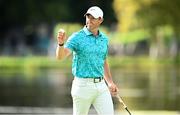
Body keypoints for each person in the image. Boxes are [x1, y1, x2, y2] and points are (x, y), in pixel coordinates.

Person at [56, 6, 119, 115]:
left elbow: (103, 61)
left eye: (93, 18)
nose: (89, 20)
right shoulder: (77, 37)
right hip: (82, 86)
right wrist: (61, 44)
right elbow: (60, 56)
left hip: (101, 86)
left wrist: (110, 82)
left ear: (100, 20)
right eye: (88, 16)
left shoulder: (104, 39)